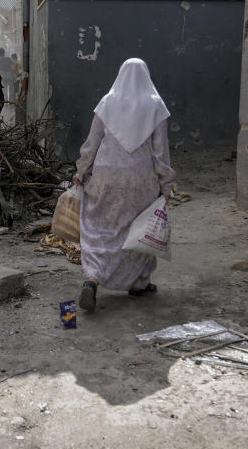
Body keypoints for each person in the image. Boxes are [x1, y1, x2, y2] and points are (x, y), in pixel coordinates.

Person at [71, 58, 175, 312]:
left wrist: (81, 170)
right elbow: (161, 151)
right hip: (141, 177)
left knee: (100, 227)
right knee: (138, 228)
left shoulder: (107, 102)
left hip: (106, 175)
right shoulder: (154, 105)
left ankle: (93, 277)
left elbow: (92, 142)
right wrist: (166, 184)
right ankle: (140, 282)